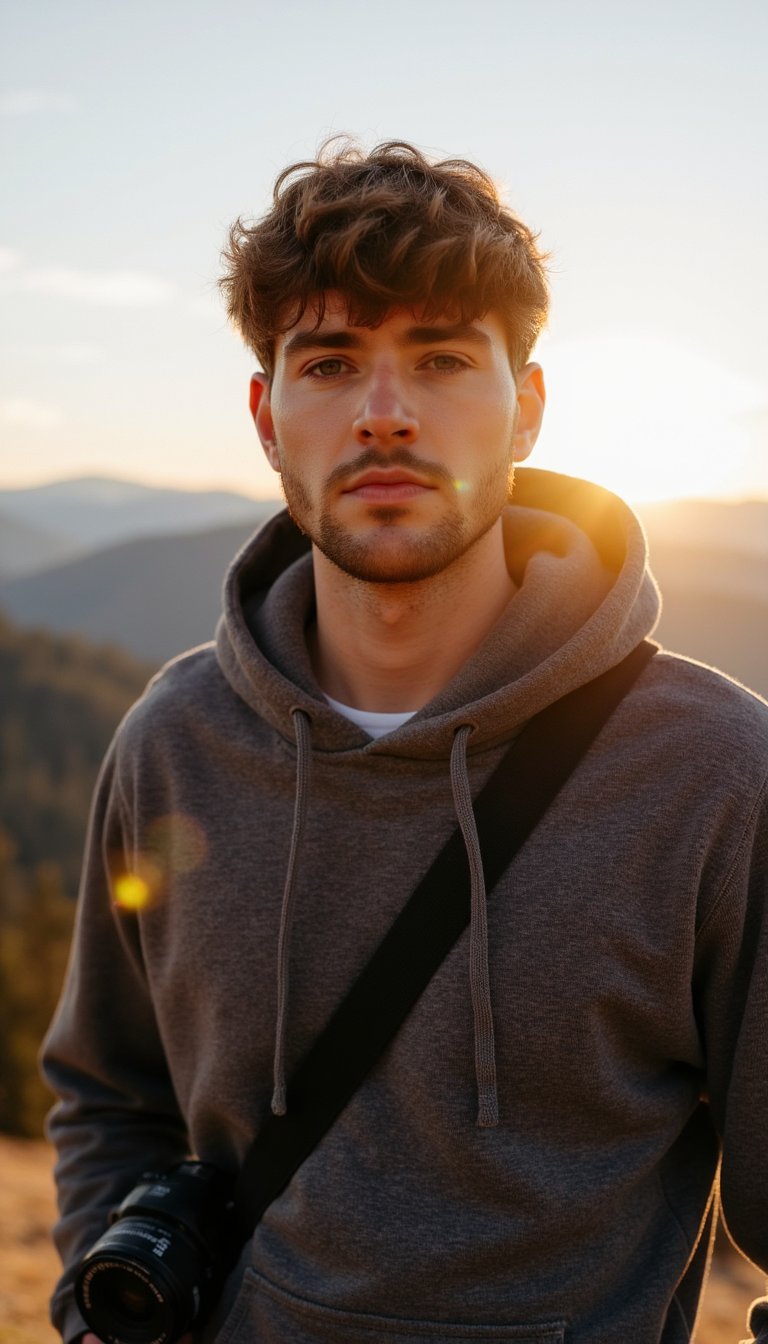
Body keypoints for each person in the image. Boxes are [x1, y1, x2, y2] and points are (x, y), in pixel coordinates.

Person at [42, 139, 768, 1344]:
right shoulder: (174, 742)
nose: (386, 415)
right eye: (331, 363)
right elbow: (109, 1092)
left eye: (440, 358)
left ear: (524, 407)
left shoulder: (714, 773)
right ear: (270, 416)